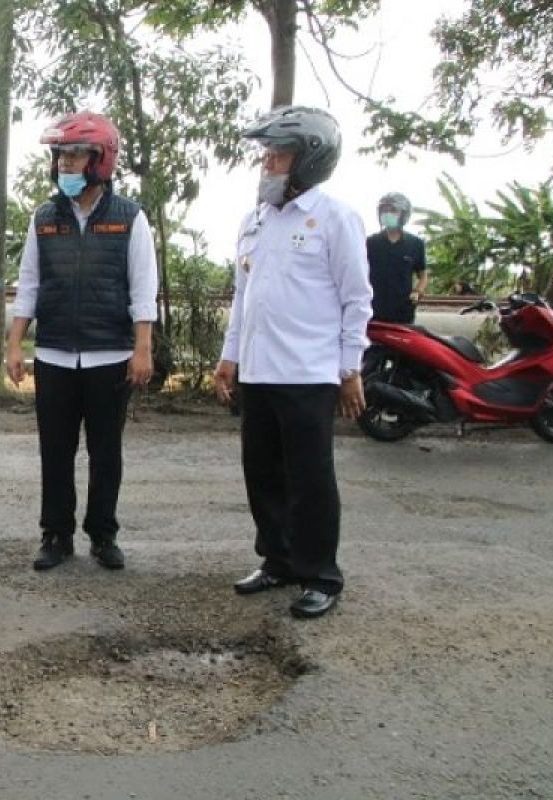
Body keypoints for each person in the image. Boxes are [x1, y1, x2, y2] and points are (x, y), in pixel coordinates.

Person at [212, 106, 372, 620]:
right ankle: (277, 561)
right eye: (266, 154)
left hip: (308, 373)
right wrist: (228, 357)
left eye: (277, 154)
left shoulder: (335, 218)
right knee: (262, 472)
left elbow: (356, 300)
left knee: (310, 479)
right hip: (258, 371)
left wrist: (350, 369)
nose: (267, 163)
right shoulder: (254, 220)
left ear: (309, 160)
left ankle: (320, 574)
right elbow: (243, 297)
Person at [5, 112, 158, 572]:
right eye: (61, 156)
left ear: (101, 160)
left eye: (75, 155)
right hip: (53, 354)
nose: (66, 164)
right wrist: (15, 345)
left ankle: (103, 533)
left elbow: (142, 288)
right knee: (55, 449)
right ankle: (56, 534)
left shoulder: (130, 218)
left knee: (105, 451)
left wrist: (142, 348)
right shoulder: (44, 218)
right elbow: (28, 284)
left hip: (110, 355)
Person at [367, 192, 428, 323]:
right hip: (373, 312)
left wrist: (418, 291)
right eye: (384, 210)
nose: (387, 213)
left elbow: (423, 275)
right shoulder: (370, 243)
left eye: (393, 210)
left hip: (403, 312)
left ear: (403, 215)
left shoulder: (416, 244)